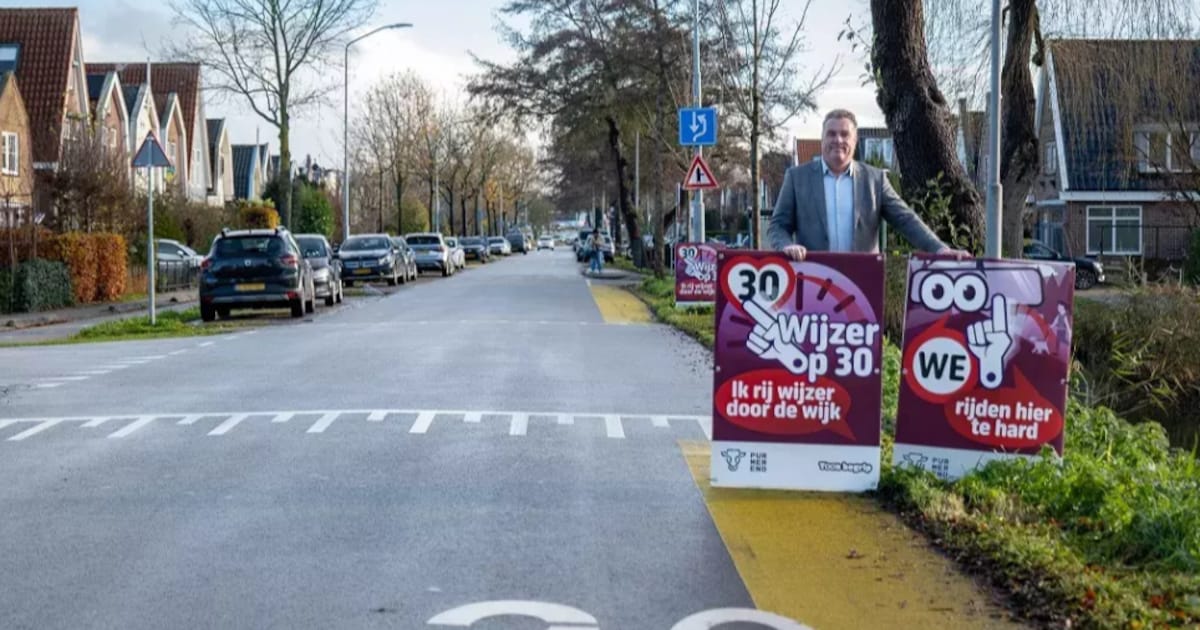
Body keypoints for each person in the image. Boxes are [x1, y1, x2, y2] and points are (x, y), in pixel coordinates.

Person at [768, 109, 971, 261]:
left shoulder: (875, 180)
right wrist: (786, 246)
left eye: (844, 134)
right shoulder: (796, 178)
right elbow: (777, 225)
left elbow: (906, 219)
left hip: (862, 286)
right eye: (831, 134)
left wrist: (940, 249)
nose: (838, 140)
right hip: (811, 280)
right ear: (822, 139)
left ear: (855, 141)